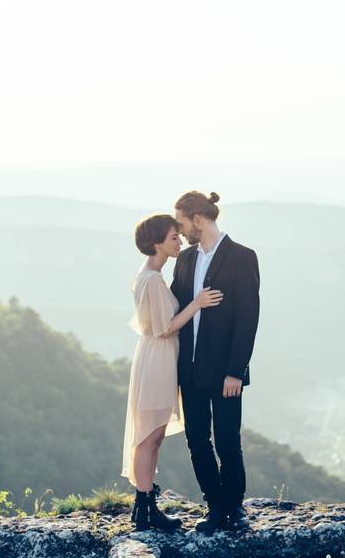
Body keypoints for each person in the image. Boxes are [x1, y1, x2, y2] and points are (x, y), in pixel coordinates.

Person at [122, 213, 223, 531]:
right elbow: (165, 328)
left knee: (153, 436)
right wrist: (197, 304)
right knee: (149, 437)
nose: (179, 241)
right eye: (173, 238)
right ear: (156, 243)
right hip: (159, 360)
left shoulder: (152, 274)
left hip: (157, 358)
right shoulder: (152, 278)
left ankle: (145, 508)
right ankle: (145, 508)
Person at [170, 191, 261, 533]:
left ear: (198, 219)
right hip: (189, 369)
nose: (180, 231)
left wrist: (236, 371)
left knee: (227, 440)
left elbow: (248, 317)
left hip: (226, 373)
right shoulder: (185, 259)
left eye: (181, 223)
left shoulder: (242, 257)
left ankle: (234, 509)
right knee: (196, 439)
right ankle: (214, 506)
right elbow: (175, 306)